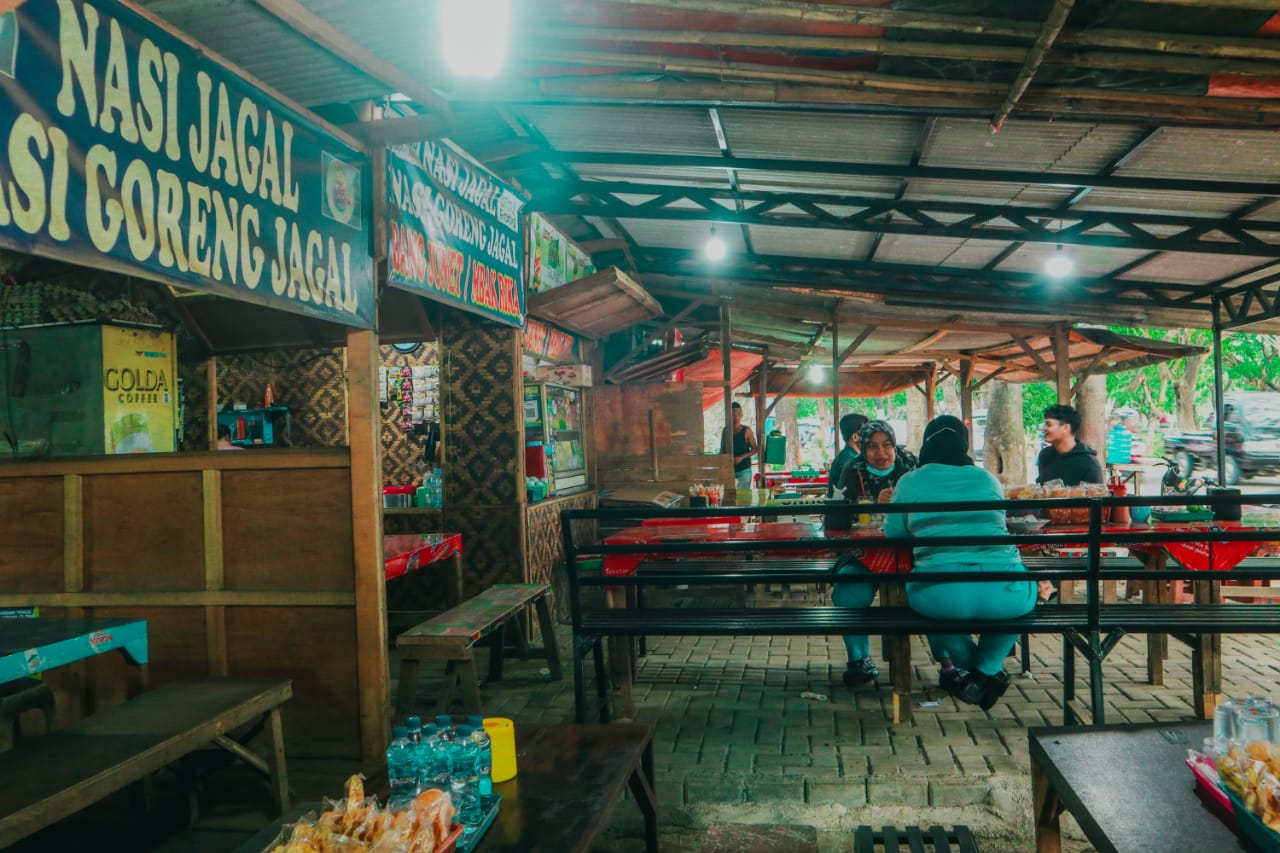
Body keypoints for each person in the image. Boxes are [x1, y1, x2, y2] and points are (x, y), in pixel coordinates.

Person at [888, 415, 1037, 710]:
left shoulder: (910, 481)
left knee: (930, 615)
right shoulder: (987, 479)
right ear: (964, 445)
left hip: (941, 595)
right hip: (1004, 592)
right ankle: (987, 670)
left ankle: (982, 674)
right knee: (1027, 601)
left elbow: (894, 535)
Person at [831, 419, 918, 687]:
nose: (881, 454)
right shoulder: (851, 469)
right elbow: (838, 514)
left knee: (936, 587)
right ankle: (859, 660)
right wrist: (867, 505)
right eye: (872, 447)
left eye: (887, 445)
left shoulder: (911, 466)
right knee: (847, 589)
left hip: (911, 553)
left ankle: (949, 664)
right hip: (864, 553)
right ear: (862, 448)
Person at [1036, 404, 1103, 486]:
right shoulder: (1045, 455)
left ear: (1066, 428)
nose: (1045, 428)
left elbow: (1095, 496)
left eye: (1049, 424)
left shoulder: (1089, 464)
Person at [826, 413, 869, 498]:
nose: (870, 436)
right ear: (855, 437)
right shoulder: (848, 462)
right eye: (866, 432)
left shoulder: (849, 456)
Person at [722, 402, 758, 490]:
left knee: (743, 498)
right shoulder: (726, 430)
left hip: (744, 471)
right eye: (733, 415)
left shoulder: (747, 431)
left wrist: (741, 457)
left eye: (738, 414)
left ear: (742, 415)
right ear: (729, 416)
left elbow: (755, 449)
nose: (736, 417)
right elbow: (722, 449)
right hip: (730, 471)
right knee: (730, 498)